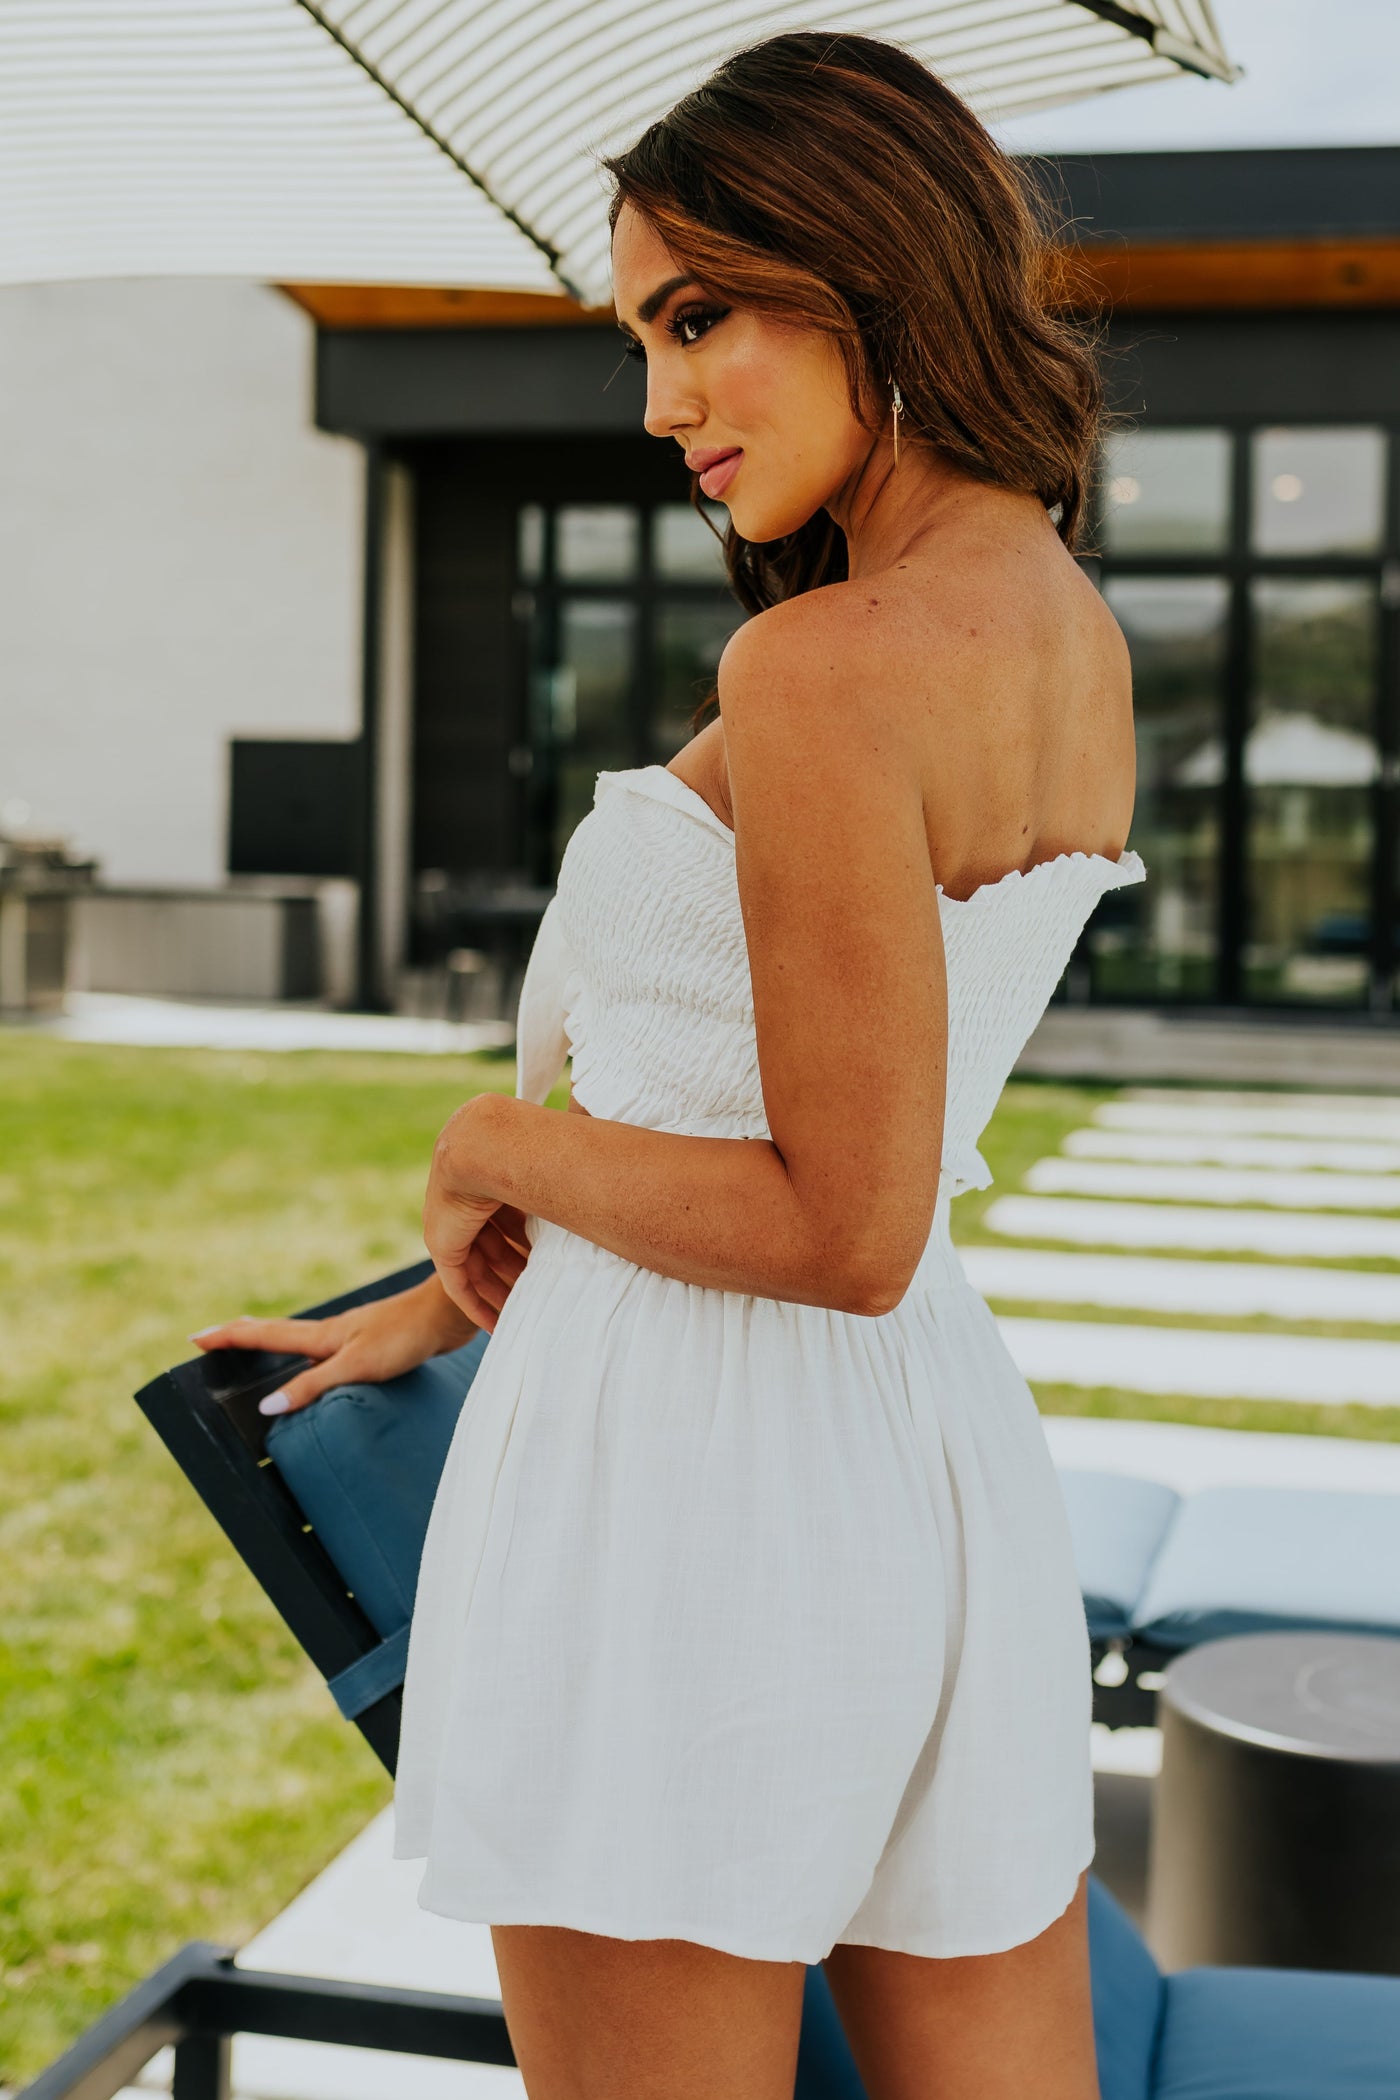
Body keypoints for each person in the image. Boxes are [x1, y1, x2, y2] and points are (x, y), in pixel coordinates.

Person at [196, 31, 1140, 2098]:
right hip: (925, 1470)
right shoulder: (1062, 634)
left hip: (690, 1505)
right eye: (640, 336)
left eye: (700, 317)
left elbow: (838, 1222)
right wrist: (449, 1299)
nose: (659, 401)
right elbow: (750, 1076)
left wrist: (491, 1140)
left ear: (874, 270)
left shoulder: (821, 667)